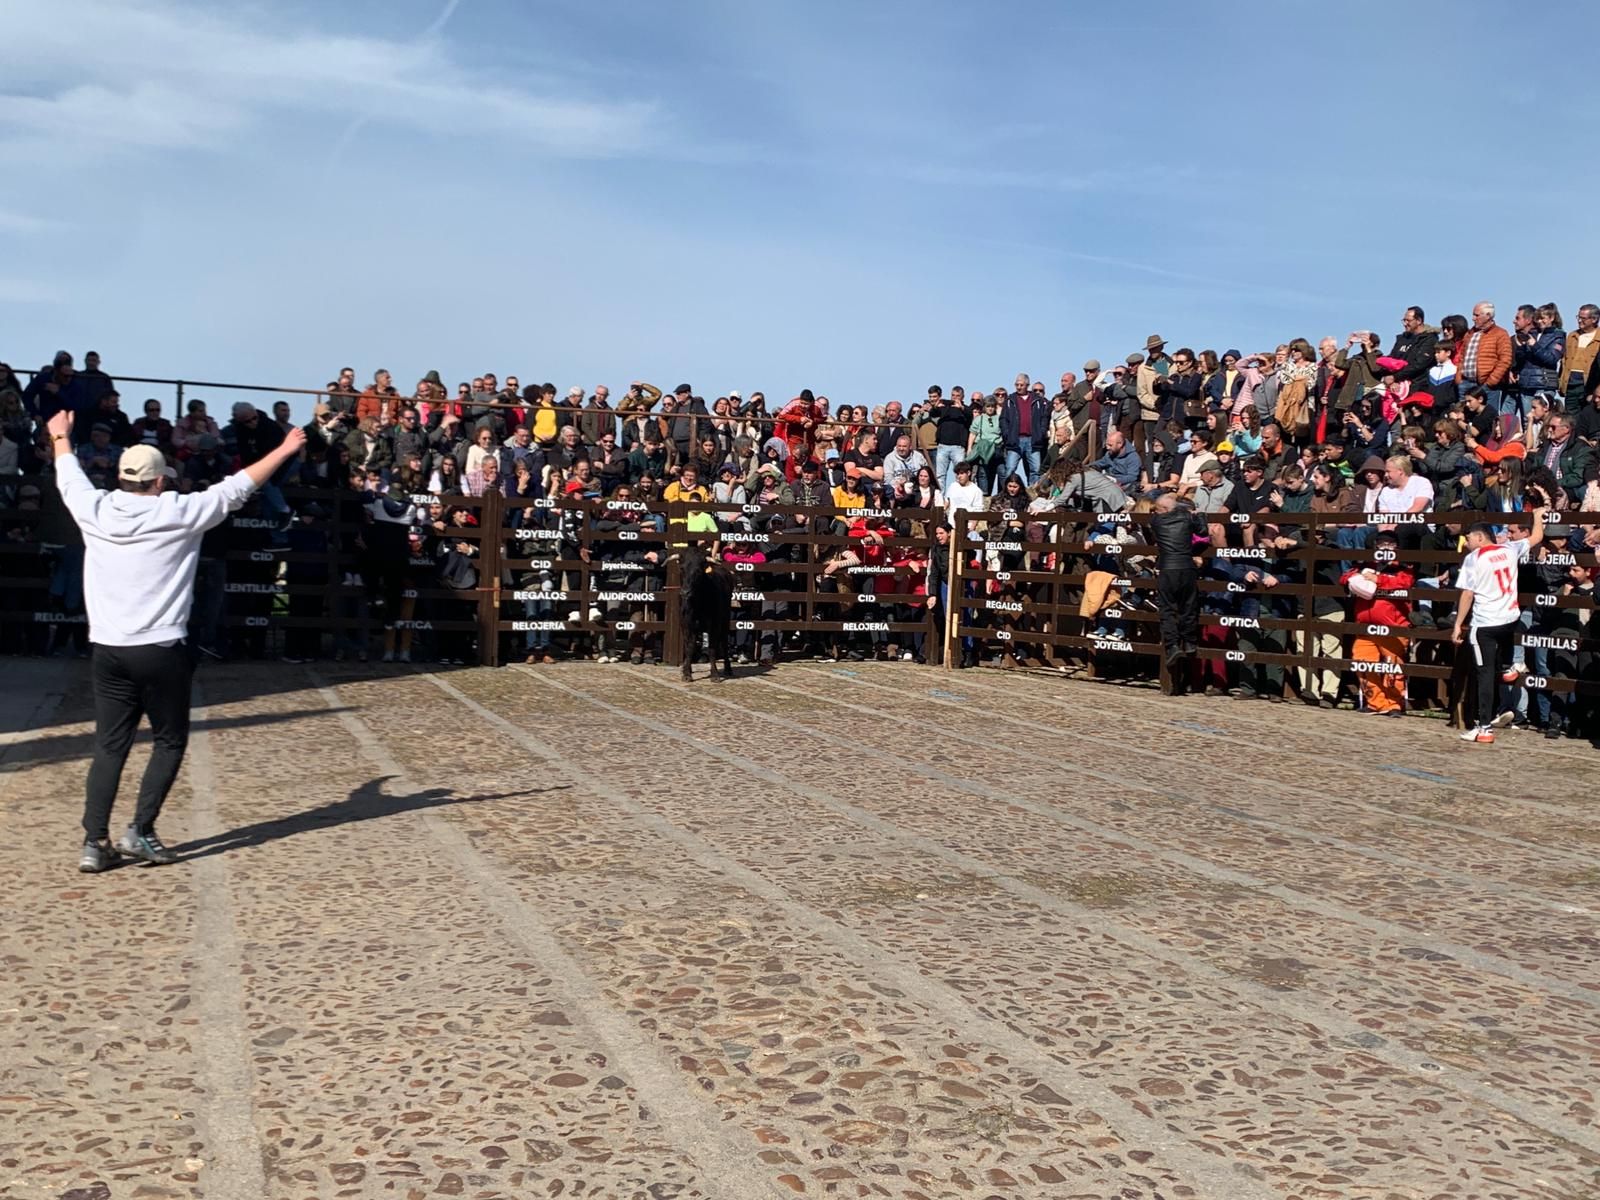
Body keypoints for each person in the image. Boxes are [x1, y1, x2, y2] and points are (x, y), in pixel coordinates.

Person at [47, 408, 307, 870]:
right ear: (159, 480)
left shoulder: (96, 508)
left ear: (122, 477)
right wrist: (285, 449)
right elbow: (238, 486)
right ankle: (140, 831)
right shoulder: (179, 511)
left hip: (108, 647)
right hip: (162, 646)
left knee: (109, 744)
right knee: (169, 740)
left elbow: (68, 474)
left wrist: (60, 436)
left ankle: (93, 842)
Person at [1451, 505, 1549, 744]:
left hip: (1485, 623)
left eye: (1469, 539)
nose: (1466, 544)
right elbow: (1537, 537)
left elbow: (1467, 594)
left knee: (1483, 674)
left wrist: (1458, 624)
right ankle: (1509, 666)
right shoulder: (1509, 548)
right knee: (1497, 661)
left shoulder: (1474, 558)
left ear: (1480, 537)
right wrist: (1537, 517)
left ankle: (1484, 727)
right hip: (1509, 618)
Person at [1150, 494, 1206, 692]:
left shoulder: (1156, 521)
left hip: (1167, 568)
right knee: (1189, 606)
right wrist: (1197, 516)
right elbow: (1202, 530)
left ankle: (1172, 645)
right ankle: (1189, 641)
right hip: (1186, 566)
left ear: (1162, 510)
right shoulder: (1187, 517)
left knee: (1167, 610)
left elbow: (1158, 516)